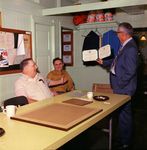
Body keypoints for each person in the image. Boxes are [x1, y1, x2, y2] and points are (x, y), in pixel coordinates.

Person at [97, 22, 138, 149]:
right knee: (121, 115)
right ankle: (122, 138)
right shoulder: (125, 45)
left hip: (124, 88)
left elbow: (130, 71)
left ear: (124, 34)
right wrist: (104, 62)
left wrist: (119, 85)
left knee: (124, 116)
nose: (117, 35)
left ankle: (125, 142)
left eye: (118, 32)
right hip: (121, 87)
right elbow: (117, 62)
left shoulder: (130, 48)